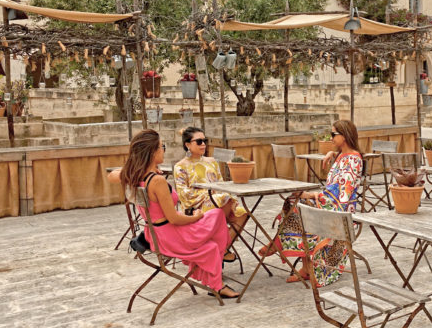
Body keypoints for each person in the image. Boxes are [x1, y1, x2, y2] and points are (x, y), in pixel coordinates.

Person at [107, 129, 238, 299]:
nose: (164, 150)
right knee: (215, 226)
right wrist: (196, 217)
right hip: (170, 237)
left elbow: (111, 176)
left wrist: (139, 169)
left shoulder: (138, 176)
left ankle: (214, 272)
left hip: (155, 234)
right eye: (162, 146)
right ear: (152, 152)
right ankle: (217, 281)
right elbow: (174, 218)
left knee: (216, 215)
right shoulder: (157, 181)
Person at [261, 119, 364, 286]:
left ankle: (283, 247)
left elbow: (342, 195)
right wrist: (332, 154)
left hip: (340, 209)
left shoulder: (354, 159)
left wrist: (312, 195)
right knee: (294, 201)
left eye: (333, 134)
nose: (330, 138)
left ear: (344, 136)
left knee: (299, 207)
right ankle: (303, 265)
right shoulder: (341, 156)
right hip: (329, 202)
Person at [173, 126, 248, 263]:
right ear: (187, 144)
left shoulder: (212, 162)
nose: (203, 144)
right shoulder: (180, 166)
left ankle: (221, 249)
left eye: (205, 140)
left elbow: (221, 184)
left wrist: (219, 194)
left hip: (219, 202)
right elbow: (184, 195)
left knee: (243, 213)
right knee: (223, 199)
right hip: (195, 207)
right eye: (199, 141)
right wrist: (211, 195)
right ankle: (219, 250)